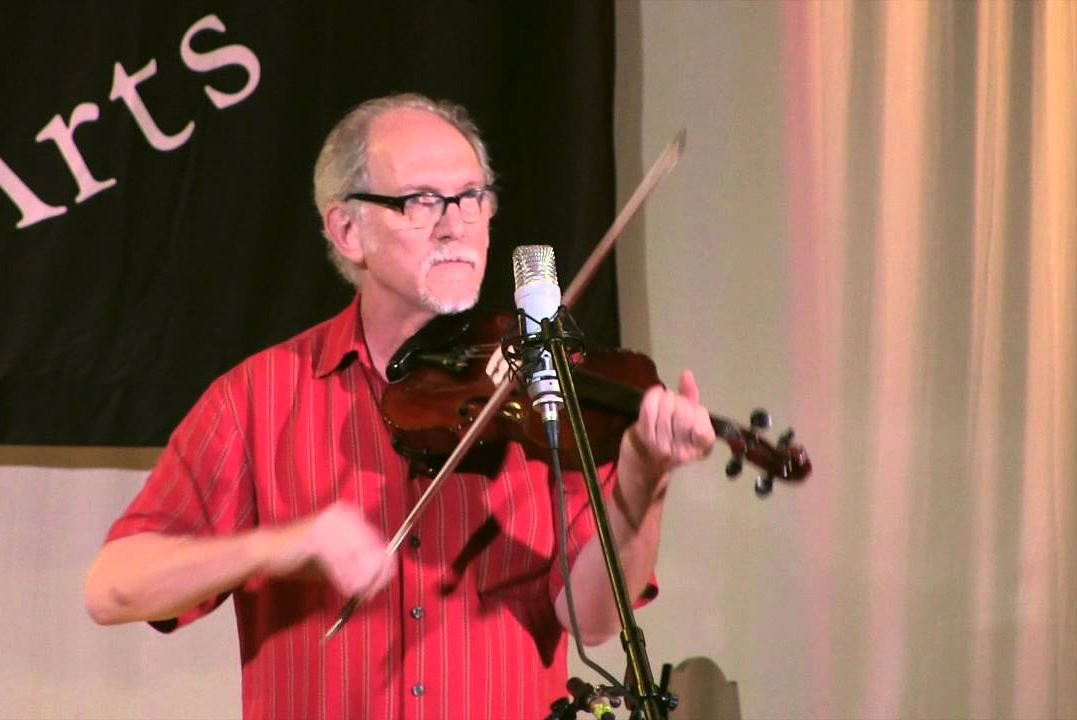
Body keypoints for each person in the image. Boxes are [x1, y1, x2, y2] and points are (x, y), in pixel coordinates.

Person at [85, 93, 715, 720]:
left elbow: (595, 621)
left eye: (472, 197)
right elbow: (113, 587)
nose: (455, 225)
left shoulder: (545, 392)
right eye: (421, 201)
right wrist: (279, 547)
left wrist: (645, 475)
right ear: (348, 231)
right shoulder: (257, 397)